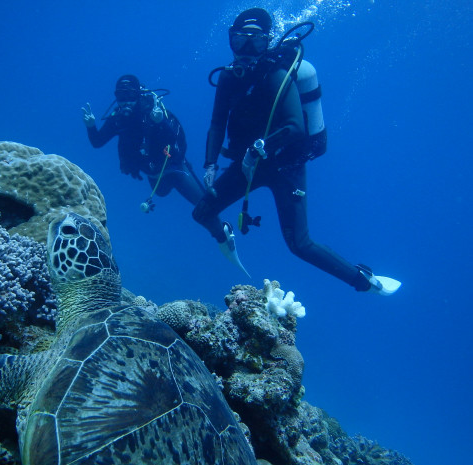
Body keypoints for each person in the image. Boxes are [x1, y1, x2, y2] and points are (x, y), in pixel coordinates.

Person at [192, 8, 400, 295]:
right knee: (201, 212)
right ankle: (224, 234)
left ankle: (366, 281)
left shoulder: (277, 76)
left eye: (257, 41)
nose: (247, 49)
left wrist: (256, 149)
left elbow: (295, 127)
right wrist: (210, 163)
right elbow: (216, 122)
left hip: (285, 167)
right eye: (240, 41)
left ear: (268, 42)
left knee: (299, 245)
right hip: (246, 166)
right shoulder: (228, 79)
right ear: (231, 41)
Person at [81, 74, 207, 215]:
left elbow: (173, 139)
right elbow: (98, 142)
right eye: (121, 96)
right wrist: (91, 126)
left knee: (205, 206)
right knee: (161, 192)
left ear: (138, 94)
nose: (126, 102)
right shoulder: (118, 119)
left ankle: (224, 233)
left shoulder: (152, 112)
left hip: (175, 167)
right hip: (153, 174)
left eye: (130, 95)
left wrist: (161, 122)